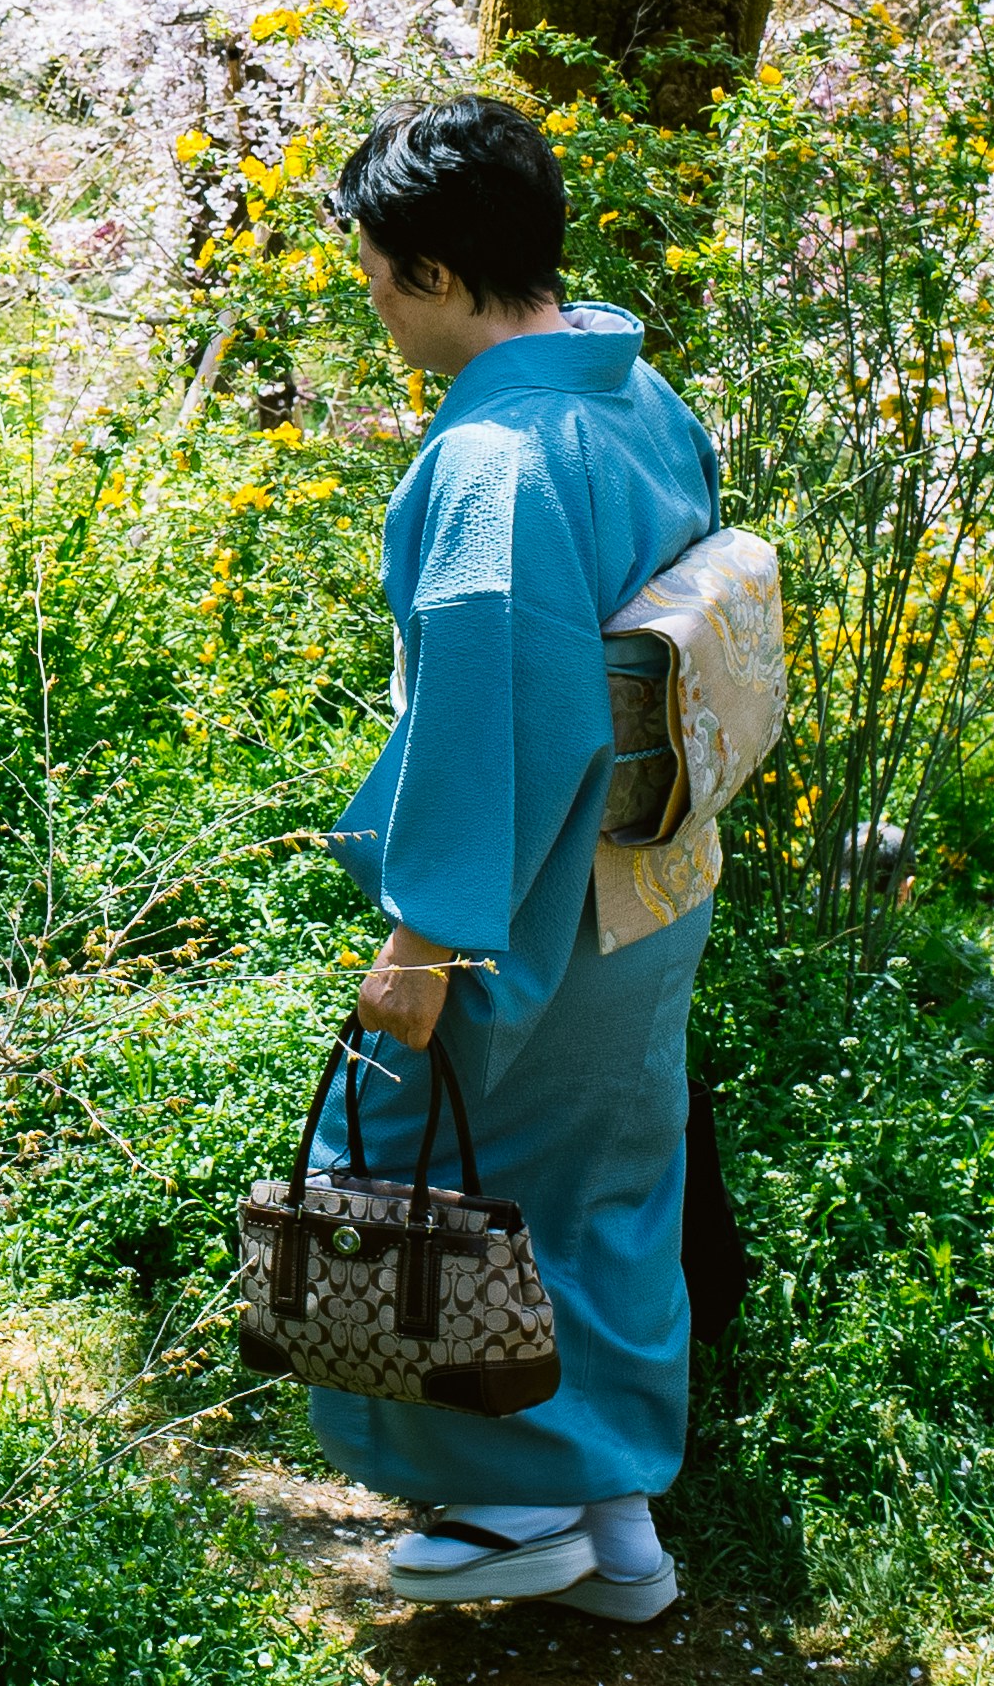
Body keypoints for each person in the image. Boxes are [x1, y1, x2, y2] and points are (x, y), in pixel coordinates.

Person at [309, 96, 721, 1624]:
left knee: (458, 1166)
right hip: (654, 874)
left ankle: (507, 1502)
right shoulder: (636, 395)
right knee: (608, 1185)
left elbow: (494, 711)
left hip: (529, 887)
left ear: (426, 269)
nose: (371, 301)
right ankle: (620, 1535)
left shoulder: (499, 457)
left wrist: (426, 935)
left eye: (373, 271)